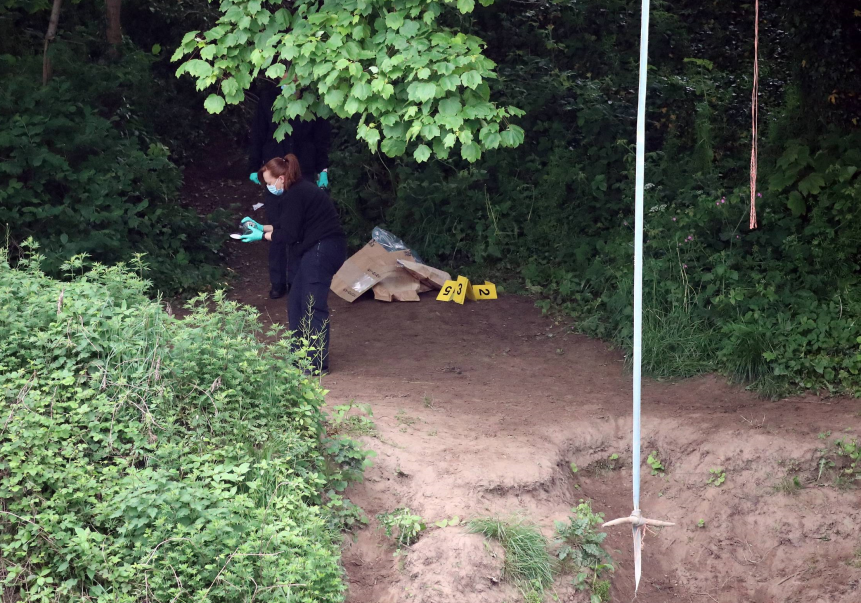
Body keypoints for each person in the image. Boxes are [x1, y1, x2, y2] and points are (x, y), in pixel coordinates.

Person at [241, 154, 346, 375]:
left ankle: (316, 364)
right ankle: (298, 357)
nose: (269, 187)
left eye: (269, 182)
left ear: (281, 178)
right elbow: (283, 225)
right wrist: (262, 227)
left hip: (322, 249)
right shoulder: (297, 192)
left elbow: (288, 234)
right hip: (315, 249)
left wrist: (261, 236)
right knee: (297, 303)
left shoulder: (296, 194)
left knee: (311, 305)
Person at [248, 79, 332, 299]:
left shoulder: (312, 99)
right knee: (277, 225)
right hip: (275, 171)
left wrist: (323, 169)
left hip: (303, 170)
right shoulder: (268, 98)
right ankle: (278, 282)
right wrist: (254, 166)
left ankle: (299, 279)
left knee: (301, 228)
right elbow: (257, 132)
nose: (292, 78)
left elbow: (322, 138)